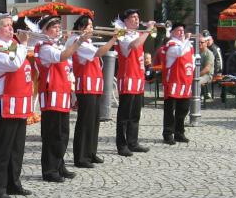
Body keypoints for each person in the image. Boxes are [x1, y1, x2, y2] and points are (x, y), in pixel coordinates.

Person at [0, 17, 32, 198]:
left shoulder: (12, 45)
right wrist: (24, 44)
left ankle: (13, 183)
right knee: (1, 149)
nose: (11, 29)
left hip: (17, 104)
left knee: (16, 148)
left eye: (11, 26)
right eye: (6, 26)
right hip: (3, 105)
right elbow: (14, 64)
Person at [35, 15, 87, 181]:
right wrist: (78, 41)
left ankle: (59, 165)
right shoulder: (45, 48)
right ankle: (50, 170)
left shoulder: (55, 45)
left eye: (59, 26)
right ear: (45, 30)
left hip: (61, 94)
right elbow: (62, 56)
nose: (58, 29)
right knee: (53, 135)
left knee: (63, 134)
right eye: (54, 27)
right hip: (52, 96)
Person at [70, 15, 116, 167]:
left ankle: (90, 152)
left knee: (94, 121)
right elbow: (99, 53)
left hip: (94, 85)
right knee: (85, 122)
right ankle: (81, 157)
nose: (92, 28)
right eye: (89, 26)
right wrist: (113, 39)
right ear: (80, 28)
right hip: (86, 85)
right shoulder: (78, 42)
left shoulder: (87, 42)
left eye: (91, 25)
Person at [115, 9, 153, 156]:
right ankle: (122, 145)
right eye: (133, 17)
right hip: (127, 78)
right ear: (125, 21)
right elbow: (134, 45)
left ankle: (133, 142)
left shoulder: (137, 34)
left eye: (138, 17)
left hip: (137, 78)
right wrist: (148, 30)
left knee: (135, 114)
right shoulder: (122, 35)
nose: (137, 20)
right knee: (124, 115)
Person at [162, 23, 194, 145]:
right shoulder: (171, 44)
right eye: (179, 30)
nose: (182, 33)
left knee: (183, 109)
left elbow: (191, 60)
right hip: (173, 82)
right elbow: (179, 52)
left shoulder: (187, 45)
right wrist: (187, 40)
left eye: (182, 30)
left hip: (185, 81)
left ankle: (179, 133)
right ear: (172, 32)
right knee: (170, 110)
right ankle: (168, 133)